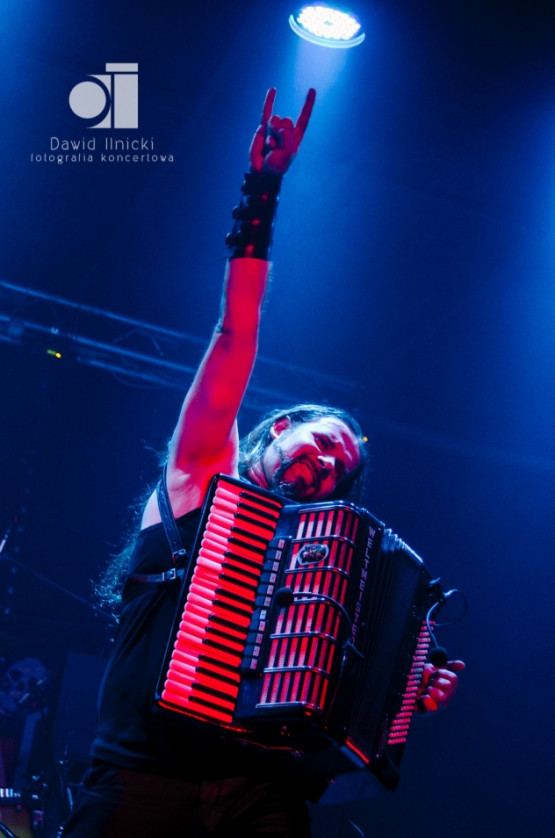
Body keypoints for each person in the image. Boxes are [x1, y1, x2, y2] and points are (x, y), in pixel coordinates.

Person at [61, 89, 464, 838]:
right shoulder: (199, 474)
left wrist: (408, 687)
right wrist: (262, 189)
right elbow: (235, 333)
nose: (327, 464)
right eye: (323, 441)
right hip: (143, 778)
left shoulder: (321, 575)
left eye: (340, 467)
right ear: (277, 429)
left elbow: (345, 698)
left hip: (263, 792)